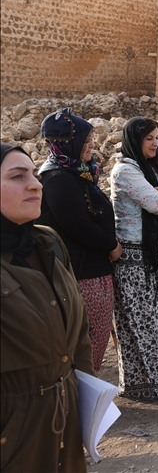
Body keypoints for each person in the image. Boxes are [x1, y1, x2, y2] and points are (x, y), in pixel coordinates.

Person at [1, 143, 92, 473]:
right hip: (13, 434)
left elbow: (79, 334)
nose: (36, 184)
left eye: (34, 175)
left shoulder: (47, 242)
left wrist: (86, 403)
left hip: (65, 422)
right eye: (17, 176)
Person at [111, 117, 158, 400]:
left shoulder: (151, 167)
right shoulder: (125, 172)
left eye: (157, 137)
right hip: (135, 261)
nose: (156, 143)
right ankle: (141, 382)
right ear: (135, 141)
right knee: (142, 322)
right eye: (149, 138)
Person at [38, 108, 119, 371]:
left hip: (93, 269)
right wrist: (111, 244)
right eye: (85, 141)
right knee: (84, 343)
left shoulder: (78, 172)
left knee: (92, 343)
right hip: (81, 273)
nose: (92, 145)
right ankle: (78, 405)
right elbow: (78, 225)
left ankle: (84, 403)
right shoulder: (58, 178)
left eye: (90, 139)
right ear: (66, 143)